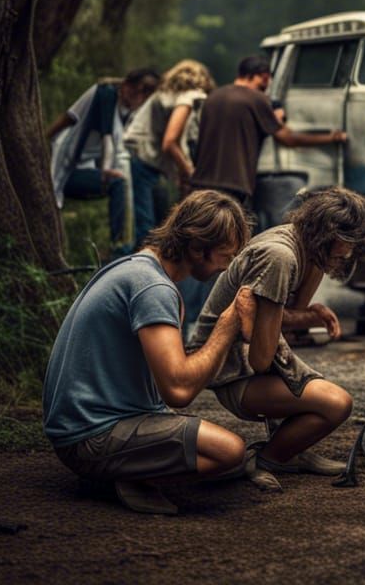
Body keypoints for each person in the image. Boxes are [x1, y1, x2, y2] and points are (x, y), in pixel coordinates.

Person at [42, 190, 254, 515]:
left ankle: (127, 470)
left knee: (227, 460)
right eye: (225, 256)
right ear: (198, 248)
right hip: (89, 438)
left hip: (84, 428)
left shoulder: (138, 269)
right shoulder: (153, 288)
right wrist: (227, 327)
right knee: (229, 452)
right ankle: (126, 477)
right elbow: (178, 390)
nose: (225, 268)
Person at [186, 187, 365, 492]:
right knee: (336, 404)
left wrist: (308, 315)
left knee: (323, 394)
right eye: (348, 244)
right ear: (331, 233)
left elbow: (281, 317)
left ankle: (288, 451)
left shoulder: (307, 248)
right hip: (232, 371)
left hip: (254, 363)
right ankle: (265, 459)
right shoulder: (279, 255)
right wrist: (291, 323)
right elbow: (260, 358)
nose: (349, 254)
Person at [191, 54, 348, 207]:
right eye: (263, 85)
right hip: (234, 183)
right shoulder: (256, 99)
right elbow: (287, 138)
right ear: (260, 76)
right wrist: (331, 137)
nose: (264, 91)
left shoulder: (213, 96)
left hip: (200, 181)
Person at [47, 68, 159, 252]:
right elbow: (71, 118)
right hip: (65, 167)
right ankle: (119, 247)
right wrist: (44, 138)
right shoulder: (103, 94)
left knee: (132, 179)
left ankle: (133, 243)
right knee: (118, 183)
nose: (139, 98)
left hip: (86, 168)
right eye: (138, 91)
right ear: (126, 85)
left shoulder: (129, 114)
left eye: (146, 95)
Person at [123, 59, 216, 249]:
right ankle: (141, 264)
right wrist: (189, 172)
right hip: (142, 160)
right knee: (147, 225)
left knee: (154, 222)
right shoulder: (191, 96)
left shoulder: (168, 95)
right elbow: (170, 142)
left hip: (144, 159)